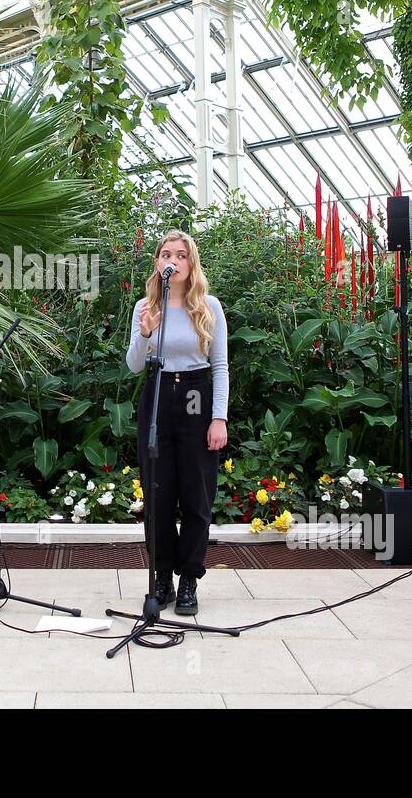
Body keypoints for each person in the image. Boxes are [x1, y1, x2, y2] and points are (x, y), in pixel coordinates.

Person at [126, 230, 229, 615]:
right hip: (157, 394)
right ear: (157, 263)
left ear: (191, 263)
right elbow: (134, 364)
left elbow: (219, 366)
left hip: (194, 395)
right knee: (158, 494)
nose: (173, 260)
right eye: (166, 254)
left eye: (181, 255)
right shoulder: (145, 306)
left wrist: (218, 417)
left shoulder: (208, 306)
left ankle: (189, 579)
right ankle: (162, 576)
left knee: (197, 493)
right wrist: (145, 333)